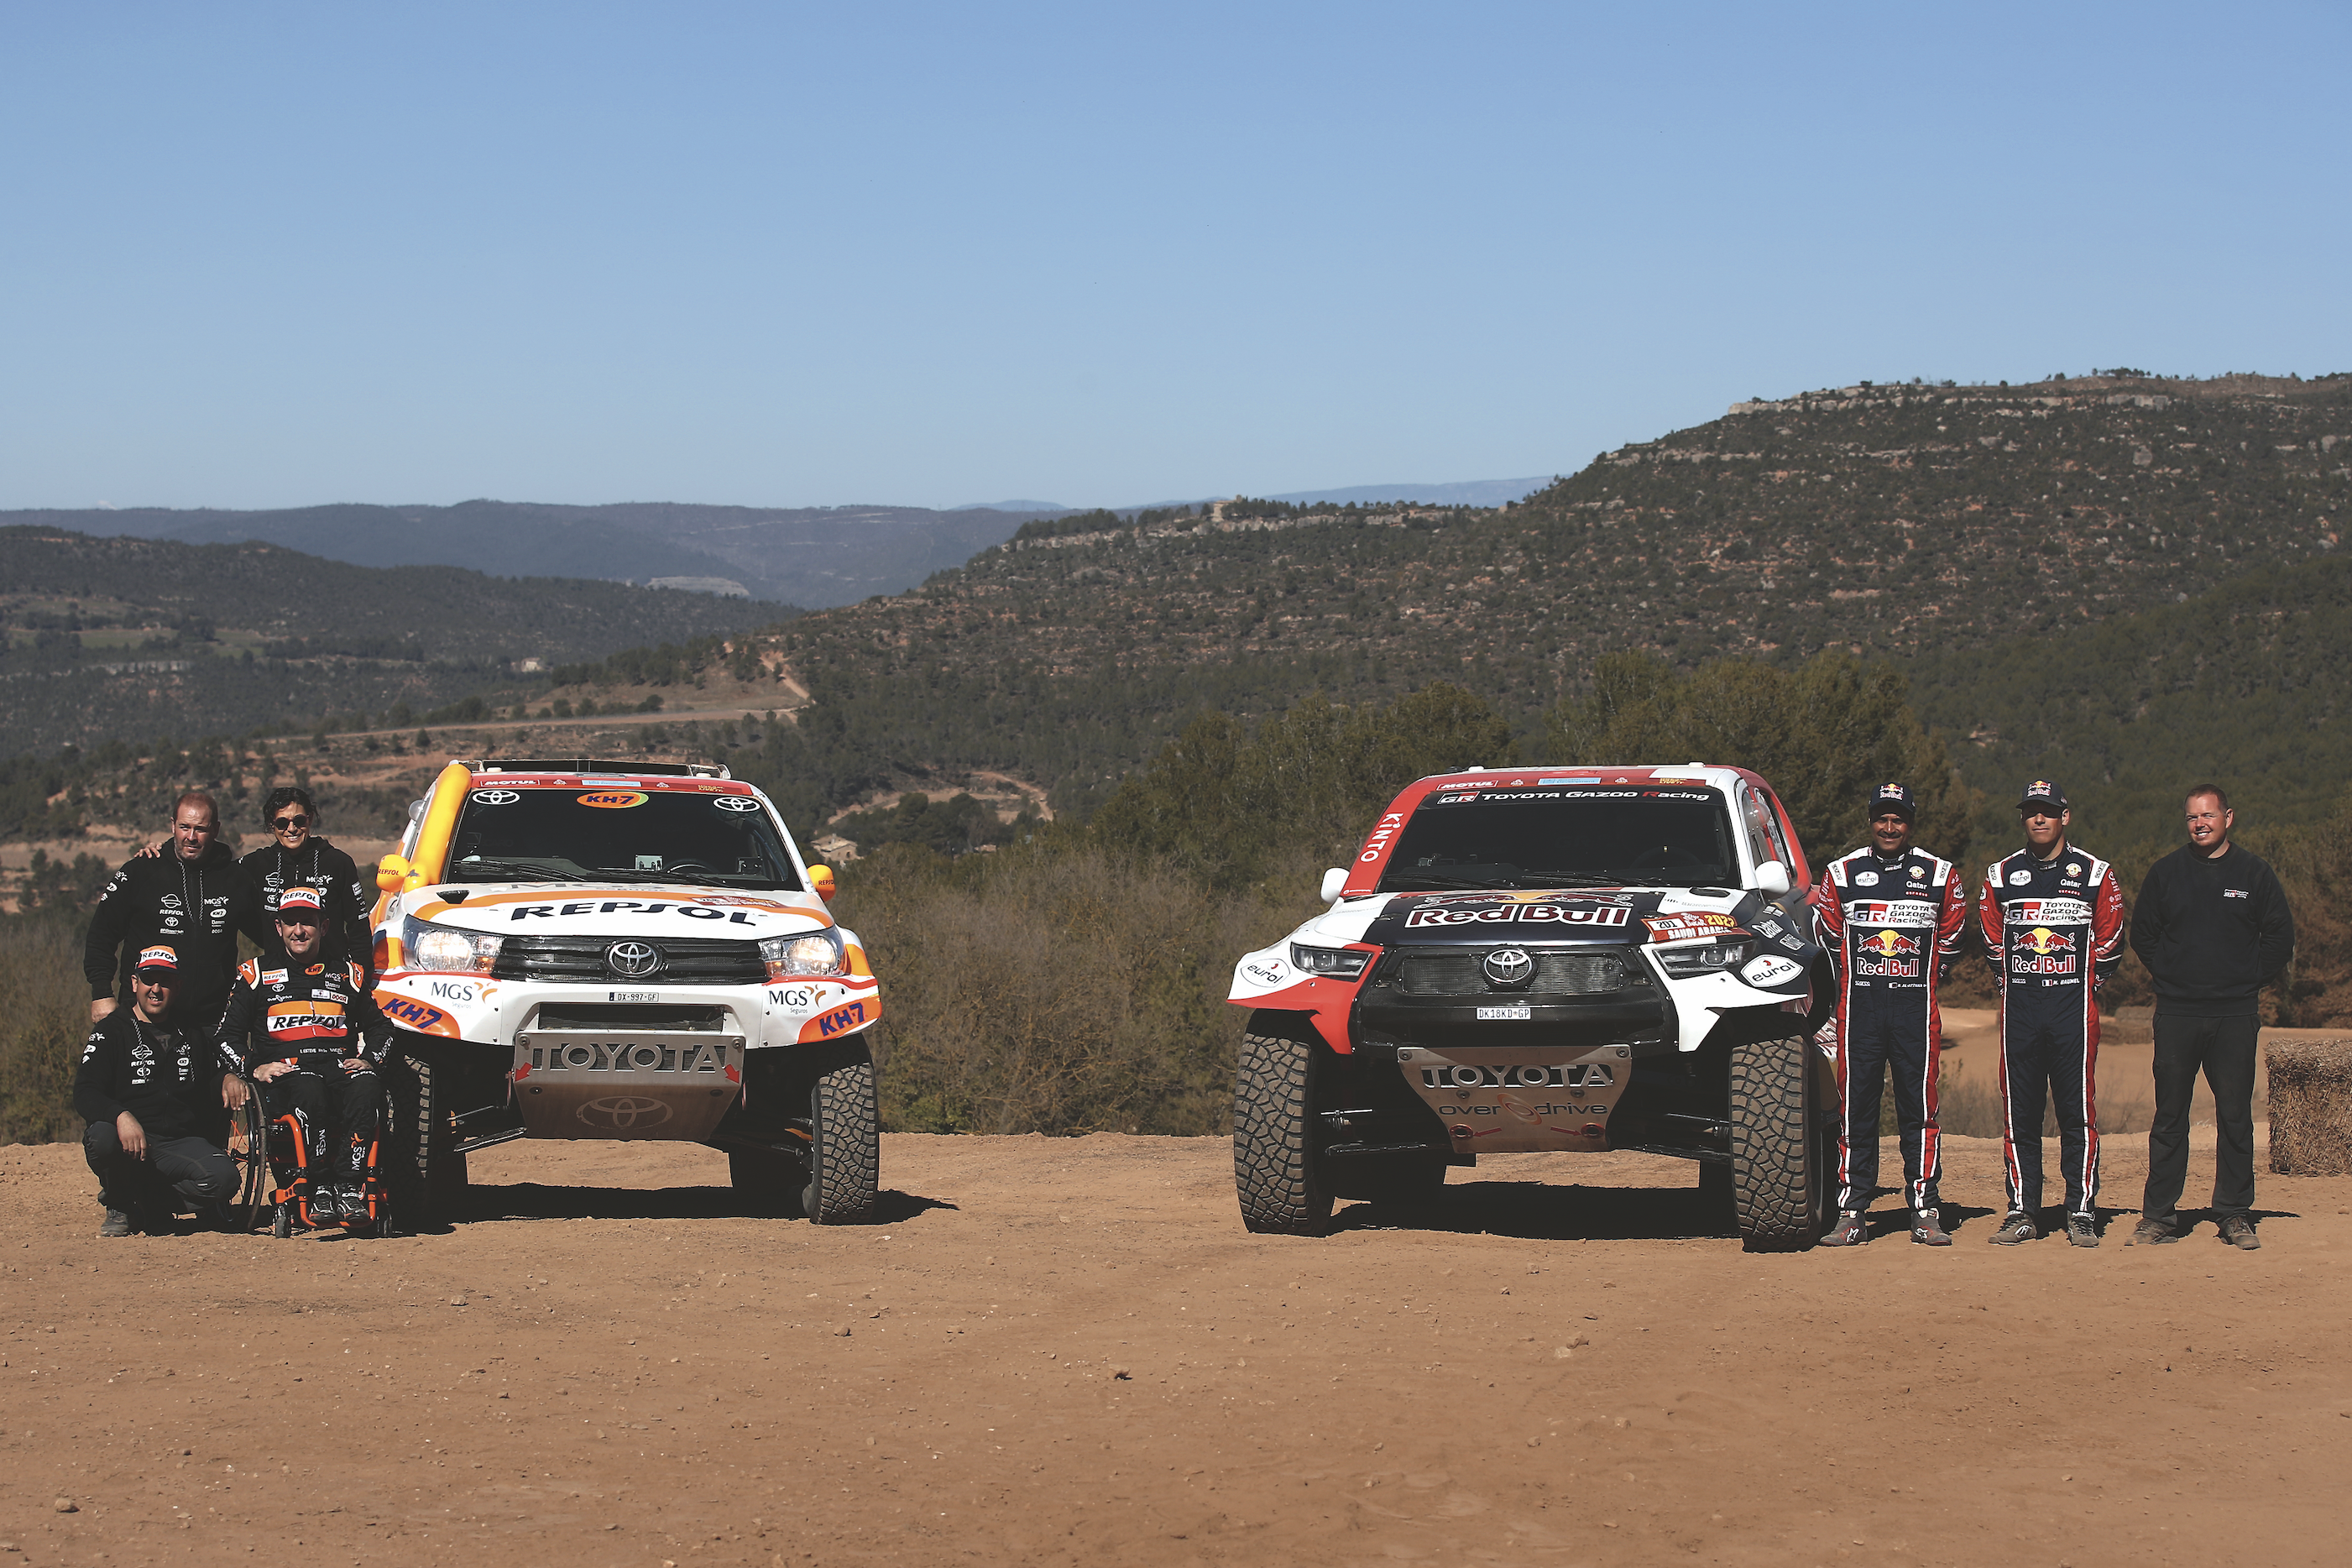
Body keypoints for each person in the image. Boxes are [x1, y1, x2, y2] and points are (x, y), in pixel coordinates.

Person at [2128, 785, 2293, 1250]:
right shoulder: (2166, 873)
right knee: (2169, 1118)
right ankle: (2160, 1216)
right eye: (2192, 817)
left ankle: (2234, 1213)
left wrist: (2245, 979)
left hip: (2235, 1014)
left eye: (2208, 815)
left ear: (2228, 818)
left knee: (2236, 1116)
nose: (2200, 823)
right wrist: (2173, 974)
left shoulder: (2254, 873)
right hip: (2178, 1013)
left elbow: (2280, 937)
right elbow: (2143, 933)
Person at [1812, 784, 1971, 1247]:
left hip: (1915, 1011)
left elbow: (1955, 936)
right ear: (1870, 821)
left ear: (1910, 823)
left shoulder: (1940, 874)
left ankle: (1924, 1208)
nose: (1889, 826)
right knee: (1854, 1110)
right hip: (1859, 1010)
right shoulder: (1841, 872)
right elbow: (1828, 934)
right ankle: (1852, 1210)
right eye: (1881, 817)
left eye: (1898, 818)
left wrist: (1915, 974)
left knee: (1919, 1109)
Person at [1978, 780, 2127, 1248]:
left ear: (2065, 816)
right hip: (2020, 1014)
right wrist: (2015, 982)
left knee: (2076, 1115)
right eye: (2030, 812)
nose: (2039, 819)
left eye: (2048, 811)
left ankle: (2080, 1210)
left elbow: (2112, 937)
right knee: (2019, 1114)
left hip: (2072, 1015)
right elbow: (1989, 938)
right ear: (2023, 819)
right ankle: (2023, 1210)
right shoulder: (2000, 875)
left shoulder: (2094, 873)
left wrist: (2082, 984)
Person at [216, 886, 395, 1225]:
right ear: (278, 928)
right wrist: (255, 1066)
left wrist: (370, 1058)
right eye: (291, 923)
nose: (299, 931)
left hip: (338, 1069)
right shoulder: (254, 975)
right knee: (310, 1089)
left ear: (323, 927)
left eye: (308, 923)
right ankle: (320, 1184)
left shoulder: (349, 974)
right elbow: (226, 1037)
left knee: (368, 1085)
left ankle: (347, 1185)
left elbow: (382, 1029)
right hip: (289, 1076)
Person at [76, 943, 248, 1236]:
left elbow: (209, 1075)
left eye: (165, 981)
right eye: (148, 980)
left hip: (178, 1142)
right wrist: (120, 1116)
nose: (156, 989)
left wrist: (227, 1077)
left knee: (225, 1180)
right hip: (127, 1140)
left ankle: (149, 1204)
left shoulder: (191, 1031)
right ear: (134, 983)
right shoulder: (111, 1031)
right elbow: (85, 1092)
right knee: (102, 1138)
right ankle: (119, 1203)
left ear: (177, 986)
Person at [84, 792, 266, 1037]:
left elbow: (271, 937)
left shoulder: (236, 880)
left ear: (216, 829)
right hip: (145, 1018)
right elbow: (101, 935)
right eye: (184, 827)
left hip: (212, 1022)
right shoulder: (141, 871)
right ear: (172, 825)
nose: (191, 837)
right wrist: (101, 993)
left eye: (200, 829)